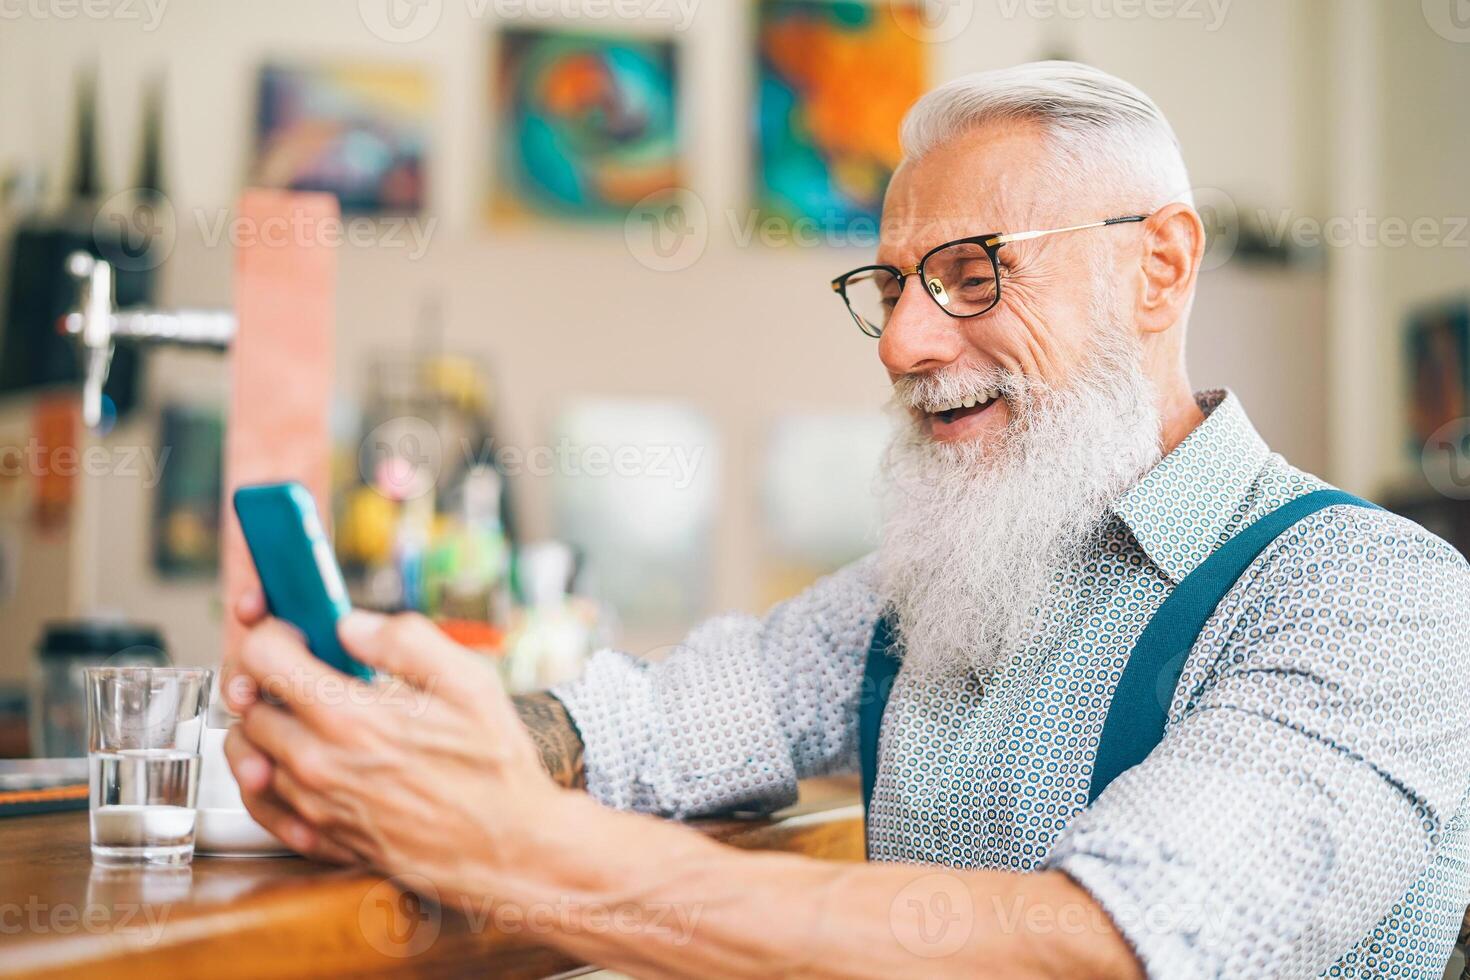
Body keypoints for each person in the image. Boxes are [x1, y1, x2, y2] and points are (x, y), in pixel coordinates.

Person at [222, 62, 1470, 977]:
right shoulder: (936, 579)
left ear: (1159, 267)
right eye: (890, 286)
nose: (909, 341)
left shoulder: (1375, 595)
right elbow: (658, 719)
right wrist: (388, 729)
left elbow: (1093, 945)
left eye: (975, 270)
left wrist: (515, 847)